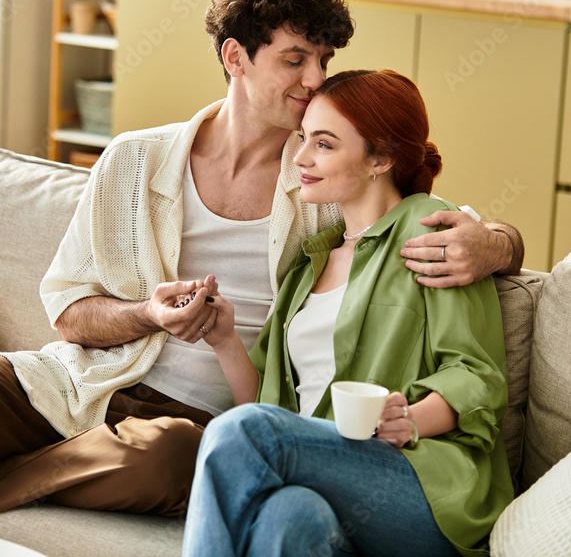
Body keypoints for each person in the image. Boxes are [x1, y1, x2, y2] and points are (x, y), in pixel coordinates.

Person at [0, 0, 521, 527]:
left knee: (169, 458)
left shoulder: (325, 175)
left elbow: (436, 218)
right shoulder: (135, 161)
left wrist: (494, 245)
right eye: (295, 59)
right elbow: (69, 314)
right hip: (85, 386)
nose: (316, 80)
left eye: (324, 60)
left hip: (207, 418)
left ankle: (1, 470)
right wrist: (148, 314)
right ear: (235, 57)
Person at [182, 69, 513, 557]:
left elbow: (477, 376)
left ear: (380, 158)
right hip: (330, 478)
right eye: (303, 139)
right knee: (288, 515)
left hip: (419, 480)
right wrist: (226, 340)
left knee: (239, 431)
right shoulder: (308, 264)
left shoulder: (431, 235)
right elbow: (272, 406)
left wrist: (410, 420)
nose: (301, 158)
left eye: (324, 144)